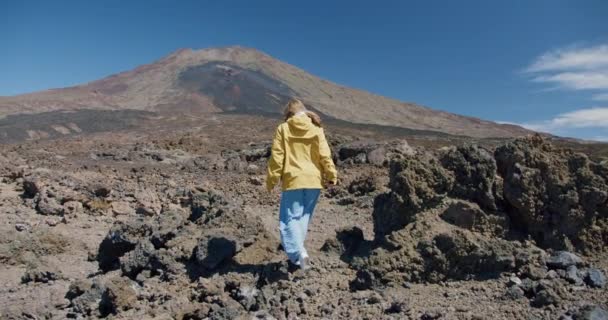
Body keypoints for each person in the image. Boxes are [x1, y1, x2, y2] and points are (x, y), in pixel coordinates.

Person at [266, 98, 338, 270]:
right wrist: (331, 174)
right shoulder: (316, 128)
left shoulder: (283, 128)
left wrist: (271, 180)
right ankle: (299, 256)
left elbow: (277, 157)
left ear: (288, 113)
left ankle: (299, 253)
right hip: (314, 180)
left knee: (290, 218)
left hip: (293, 179)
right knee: (303, 217)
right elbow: (325, 154)